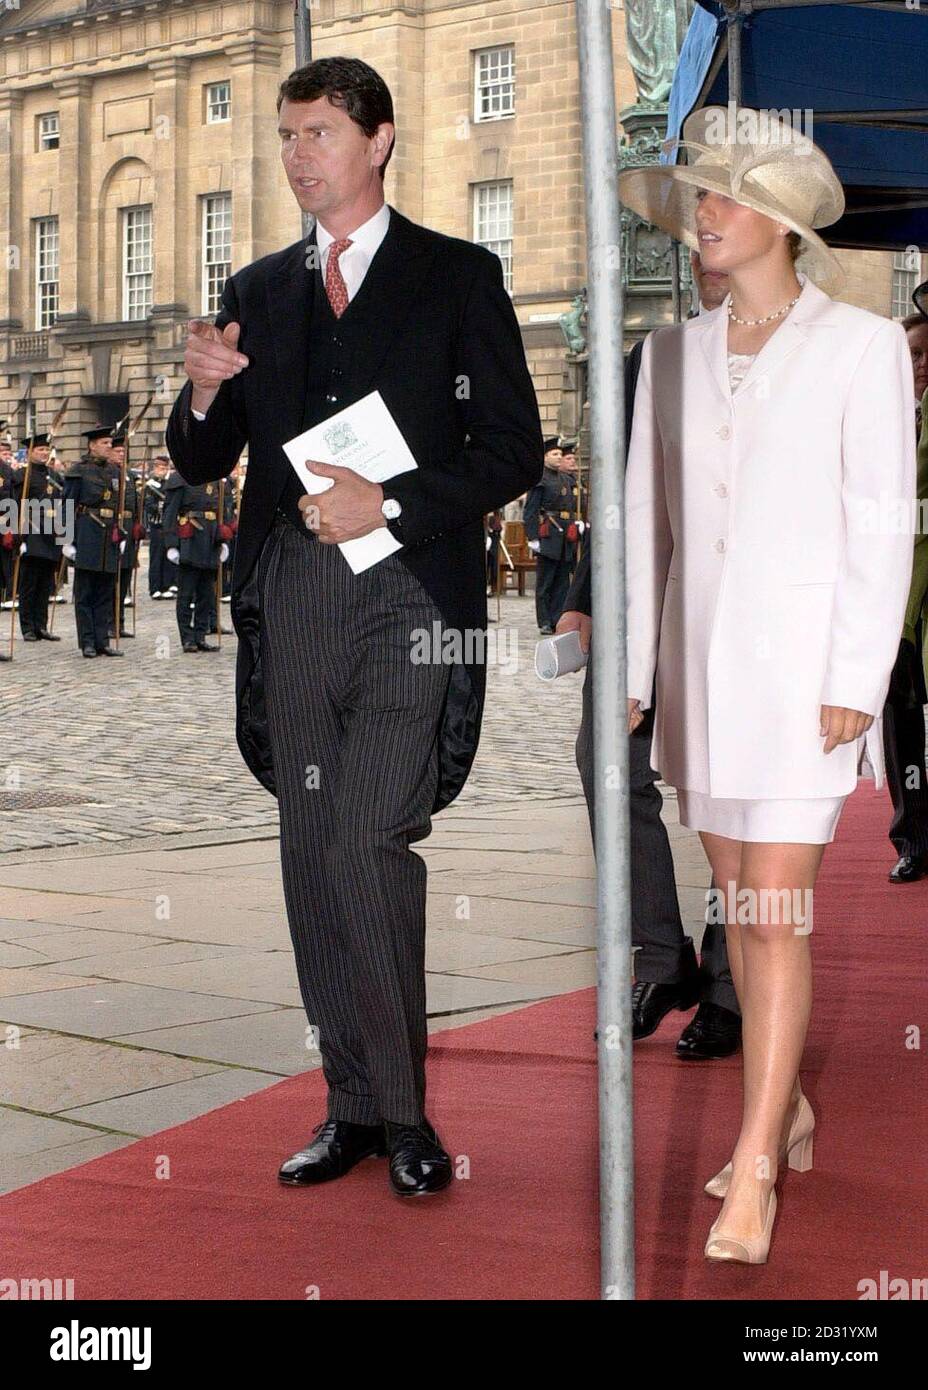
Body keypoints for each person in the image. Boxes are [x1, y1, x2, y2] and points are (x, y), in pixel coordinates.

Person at [165, 56, 542, 1197]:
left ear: (378, 140)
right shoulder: (261, 286)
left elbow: (512, 450)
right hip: (295, 592)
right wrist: (197, 390)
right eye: (286, 136)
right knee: (311, 848)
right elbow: (199, 460)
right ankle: (350, 1107)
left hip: (410, 596)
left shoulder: (457, 276)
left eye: (317, 133)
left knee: (371, 839)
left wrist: (388, 499)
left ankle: (407, 1112)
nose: (295, 155)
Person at [618, 107, 914, 1264]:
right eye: (697, 199)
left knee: (777, 911)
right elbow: (646, 524)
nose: (702, 216)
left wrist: (857, 674)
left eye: (723, 198)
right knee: (739, 905)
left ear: (781, 220)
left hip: (804, 681)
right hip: (699, 678)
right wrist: (638, 668)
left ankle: (752, 1168)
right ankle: (783, 1106)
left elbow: (880, 521)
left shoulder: (861, 345)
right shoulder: (672, 354)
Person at [558, 251, 741, 1061]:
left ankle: (733, 988)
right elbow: (620, 484)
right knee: (609, 767)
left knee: (727, 793)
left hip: (744, 615)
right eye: (698, 234)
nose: (707, 253)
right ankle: (662, 958)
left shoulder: (818, 352)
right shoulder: (655, 356)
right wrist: (587, 592)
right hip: (645, 600)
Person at [882, 312, 928, 882]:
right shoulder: (881, 418)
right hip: (892, 596)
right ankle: (912, 838)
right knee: (900, 718)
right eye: (913, 355)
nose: (920, 366)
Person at [60, 426, 124, 658]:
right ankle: (87, 641)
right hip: (87, 533)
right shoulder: (78, 471)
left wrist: (122, 534)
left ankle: (102, 640)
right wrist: (67, 540)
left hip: (109, 536)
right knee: (85, 592)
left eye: (110, 443)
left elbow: (118, 506)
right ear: (92, 445)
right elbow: (66, 506)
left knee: (105, 591)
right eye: (105, 443)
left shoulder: (115, 472)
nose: (109, 446)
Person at [523, 439, 586, 632]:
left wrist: (577, 524)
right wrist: (532, 537)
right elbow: (531, 510)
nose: (559, 458)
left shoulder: (566, 479)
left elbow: (571, 507)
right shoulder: (540, 479)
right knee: (546, 581)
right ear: (545, 457)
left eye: (560, 454)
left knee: (562, 581)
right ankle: (544, 620)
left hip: (565, 536)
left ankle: (557, 618)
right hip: (549, 535)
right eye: (555, 454)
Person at [161, 473, 227, 653]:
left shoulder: (215, 479)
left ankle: (200, 635)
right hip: (190, 542)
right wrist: (171, 544)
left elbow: (222, 512)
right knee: (186, 593)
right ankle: (187, 638)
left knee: (206, 594)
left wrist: (223, 540)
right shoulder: (180, 479)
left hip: (210, 540)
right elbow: (170, 513)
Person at [13, 433, 63, 642]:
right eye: (39, 450)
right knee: (29, 583)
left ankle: (41, 625)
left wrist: (65, 535)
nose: (44, 453)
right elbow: (14, 506)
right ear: (30, 452)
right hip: (31, 533)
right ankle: (28, 627)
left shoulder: (55, 476)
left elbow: (63, 505)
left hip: (51, 534)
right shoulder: (21, 476)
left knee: (45, 584)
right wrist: (18, 538)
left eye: (46, 450)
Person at [143, 456, 177, 598]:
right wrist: (160, 507)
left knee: (168, 555)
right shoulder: (150, 485)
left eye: (164, 468)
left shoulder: (170, 483)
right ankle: (155, 587)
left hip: (169, 525)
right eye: (159, 468)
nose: (162, 471)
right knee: (156, 556)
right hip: (156, 524)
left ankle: (168, 584)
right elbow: (148, 504)